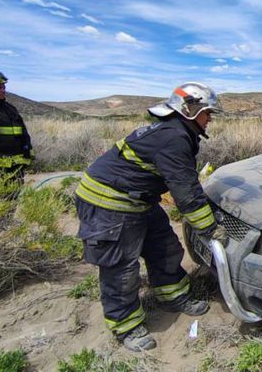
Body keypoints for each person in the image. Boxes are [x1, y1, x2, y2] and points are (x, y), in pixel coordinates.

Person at [74, 82, 224, 352]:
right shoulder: (173, 138)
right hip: (109, 203)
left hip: (140, 200)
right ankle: (127, 326)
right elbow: (186, 193)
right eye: (207, 112)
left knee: (165, 248)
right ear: (190, 110)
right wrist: (210, 229)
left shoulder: (176, 132)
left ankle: (173, 297)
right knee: (121, 268)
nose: (210, 118)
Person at [0, 72, 33, 185]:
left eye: (4, 87)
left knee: (15, 192)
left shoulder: (11, 109)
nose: (3, 90)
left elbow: (23, 132)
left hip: (15, 165)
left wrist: (27, 149)